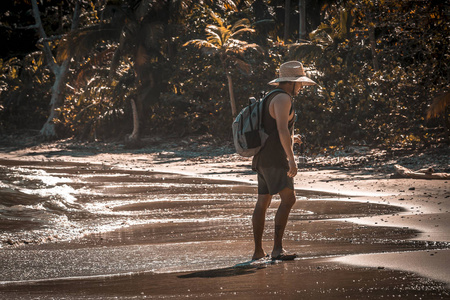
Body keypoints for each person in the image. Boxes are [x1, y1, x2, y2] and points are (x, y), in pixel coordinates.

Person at [251, 61, 317, 261]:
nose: (301, 89)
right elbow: (280, 129)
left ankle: (258, 251)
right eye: (300, 85)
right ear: (292, 83)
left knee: (263, 201)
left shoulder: (269, 97)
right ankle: (277, 250)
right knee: (289, 199)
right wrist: (292, 159)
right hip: (275, 157)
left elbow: (273, 128)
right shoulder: (283, 98)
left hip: (262, 155)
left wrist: (291, 138)